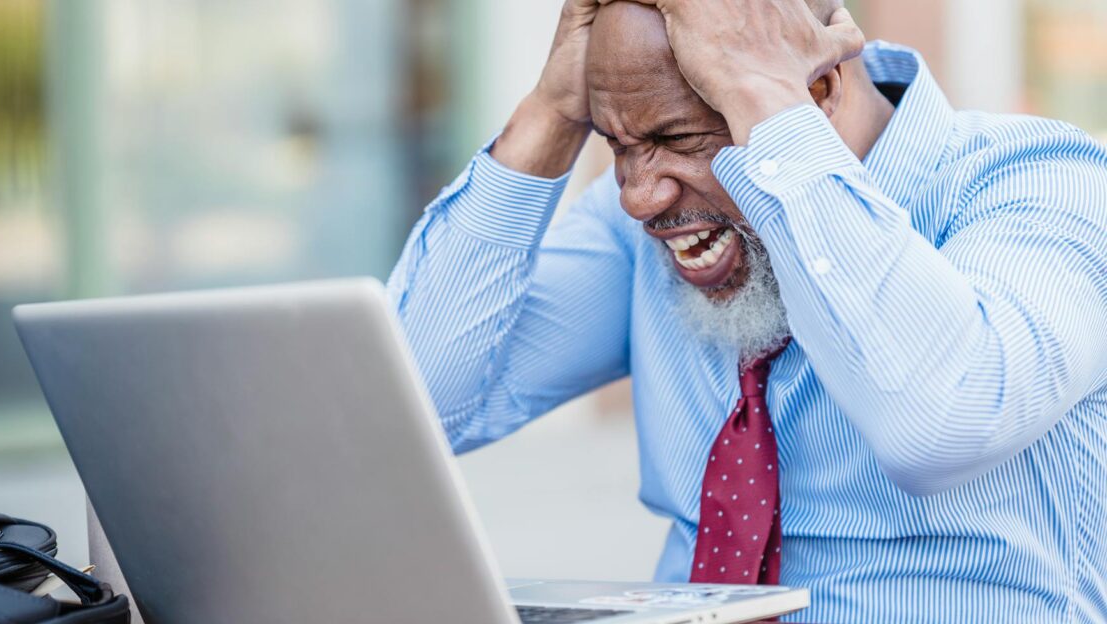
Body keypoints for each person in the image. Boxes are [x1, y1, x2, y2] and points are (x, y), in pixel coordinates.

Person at [386, 0, 1107, 621]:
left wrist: (768, 108)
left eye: (679, 139)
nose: (640, 196)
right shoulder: (644, 219)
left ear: (817, 89)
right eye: (617, 145)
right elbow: (411, 408)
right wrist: (548, 112)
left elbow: (940, 422)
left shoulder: (1045, 184)